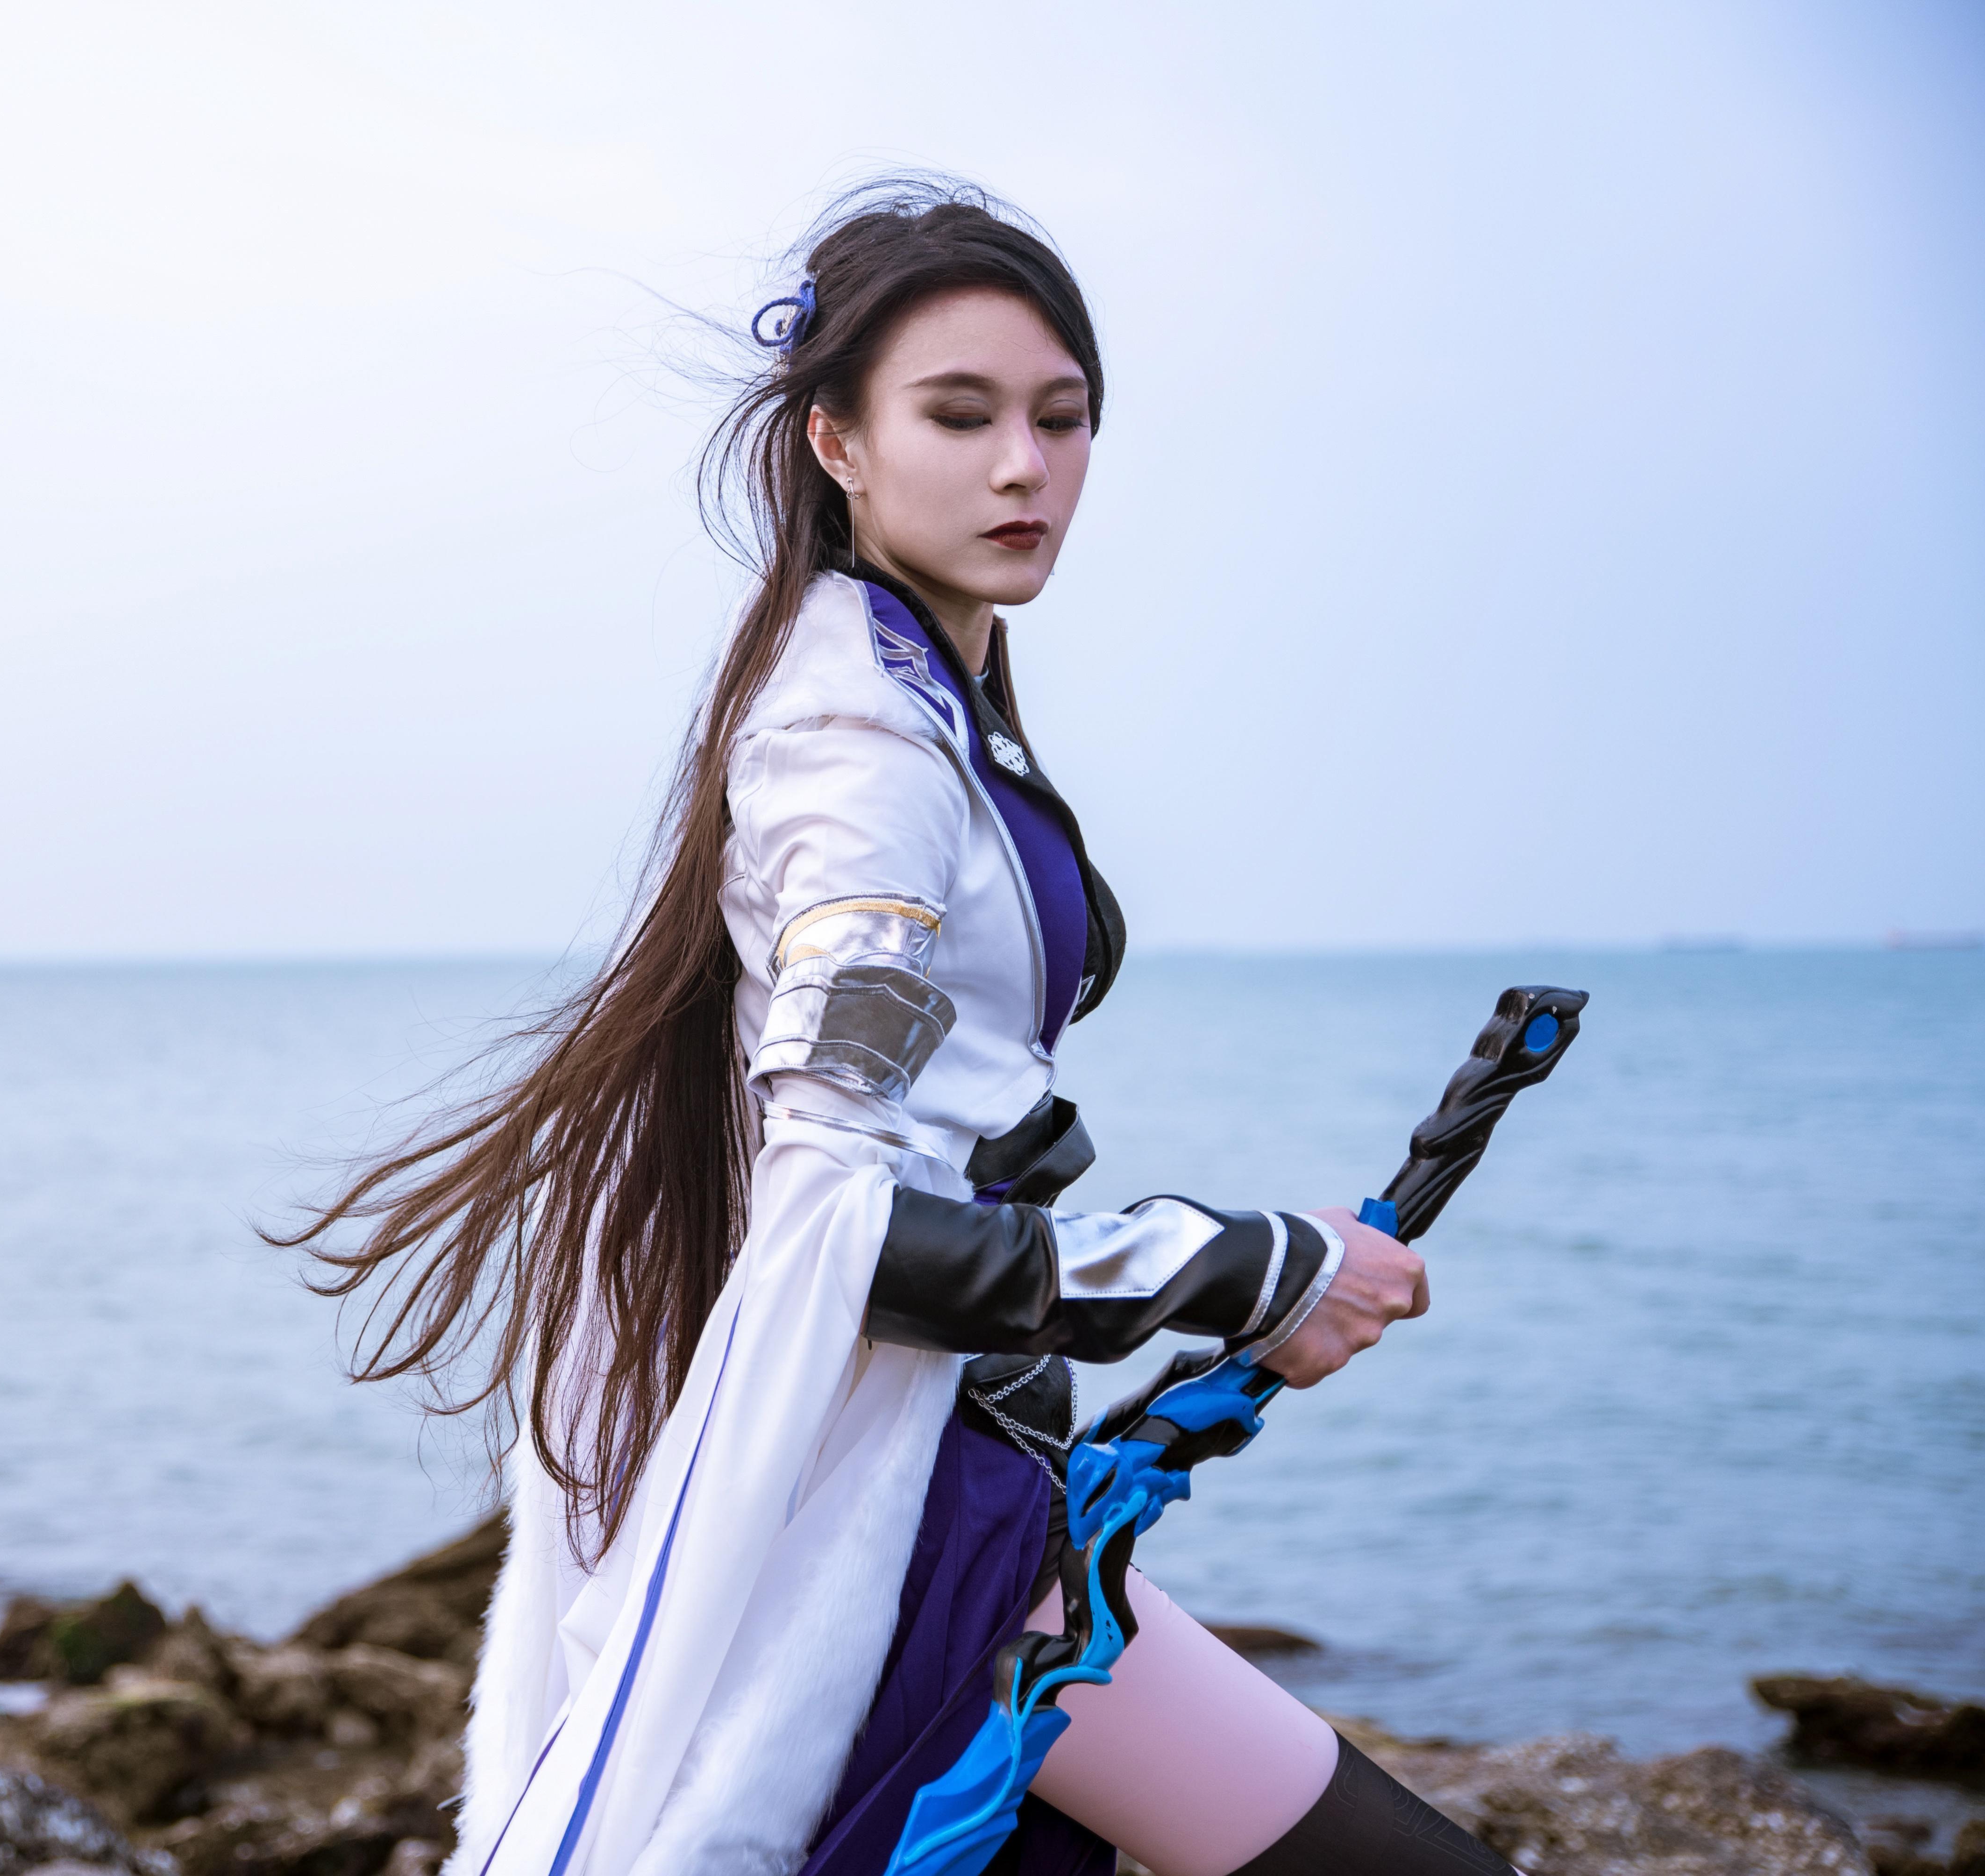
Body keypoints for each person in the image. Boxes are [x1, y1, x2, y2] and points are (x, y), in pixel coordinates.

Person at [277, 181, 1518, 1876]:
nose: (1024, 469)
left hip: (947, 1479)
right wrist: (1258, 1269)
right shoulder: (859, 743)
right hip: (913, 1539)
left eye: (1061, 419)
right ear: (838, 442)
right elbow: (838, 1225)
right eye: (960, 415)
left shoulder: (918, 684)